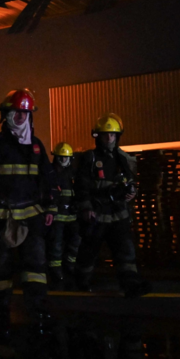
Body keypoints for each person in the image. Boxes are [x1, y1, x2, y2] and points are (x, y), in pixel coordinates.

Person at [0, 88, 57, 331]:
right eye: (16, 112)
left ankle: (37, 307)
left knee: (36, 265)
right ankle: (3, 309)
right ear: (6, 114)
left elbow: (48, 179)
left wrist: (50, 208)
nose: (20, 117)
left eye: (25, 113)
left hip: (31, 217)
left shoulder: (36, 147)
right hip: (2, 218)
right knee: (1, 267)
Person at [73, 113, 151, 298]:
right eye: (106, 134)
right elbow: (81, 185)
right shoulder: (90, 158)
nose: (109, 138)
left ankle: (130, 285)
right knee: (89, 252)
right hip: (97, 214)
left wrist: (132, 192)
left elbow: (131, 182)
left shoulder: (124, 159)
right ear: (97, 136)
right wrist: (86, 207)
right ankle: (79, 286)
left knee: (125, 251)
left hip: (118, 214)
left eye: (113, 135)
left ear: (118, 136)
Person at [46, 142, 80, 289]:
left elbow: (79, 191)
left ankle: (70, 267)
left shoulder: (73, 174)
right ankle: (55, 271)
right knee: (56, 244)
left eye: (66, 158)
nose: (63, 161)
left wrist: (78, 205)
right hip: (57, 217)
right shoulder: (50, 174)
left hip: (72, 216)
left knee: (75, 242)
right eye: (61, 158)